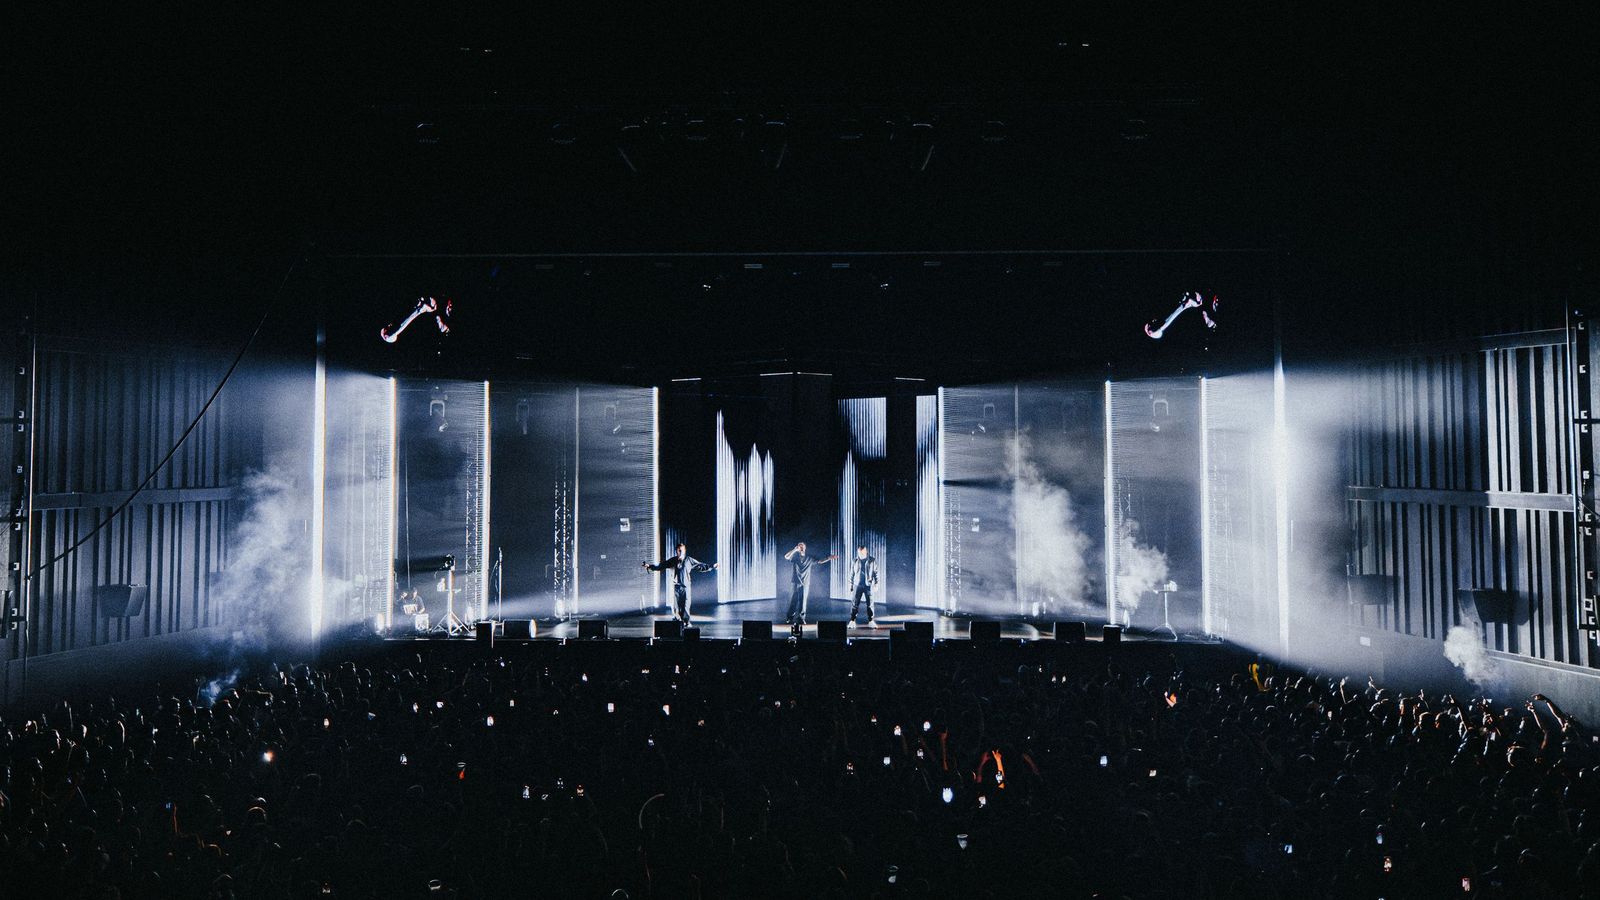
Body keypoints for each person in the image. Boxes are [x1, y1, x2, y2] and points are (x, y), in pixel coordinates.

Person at [642, 543, 717, 623]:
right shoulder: (673, 560)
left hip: (686, 587)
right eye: (679, 550)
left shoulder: (689, 560)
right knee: (675, 606)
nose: (680, 552)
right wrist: (650, 566)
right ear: (676, 551)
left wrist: (711, 566)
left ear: (685, 551)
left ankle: (686, 623)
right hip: (675, 587)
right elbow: (661, 565)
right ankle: (676, 622)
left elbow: (700, 566)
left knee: (685, 606)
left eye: (682, 550)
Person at [782, 542, 835, 635]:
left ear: (805, 548)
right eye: (799, 546)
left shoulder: (809, 558)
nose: (801, 547)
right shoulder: (795, 557)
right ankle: (789, 617)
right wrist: (794, 550)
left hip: (805, 583)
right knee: (793, 600)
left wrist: (829, 558)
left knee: (803, 601)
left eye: (802, 546)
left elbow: (820, 561)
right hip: (795, 582)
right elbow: (786, 557)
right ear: (798, 547)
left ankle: (801, 619)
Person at [846, 544, 880, 627]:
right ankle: (852, 620)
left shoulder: (872, 560)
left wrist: (876, 584)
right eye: (859, 553)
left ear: (866, 552)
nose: (860, 554)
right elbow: (851, 573)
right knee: (854, 603)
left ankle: (871, 621)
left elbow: (876, 573)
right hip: (857, 585)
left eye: (862, 553)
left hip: (868, 585)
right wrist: (850, 585)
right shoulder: (855, 561)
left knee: (870, 604)